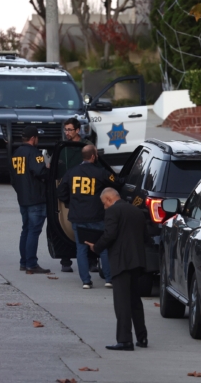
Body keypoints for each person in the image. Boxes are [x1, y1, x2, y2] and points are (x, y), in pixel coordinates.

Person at [86, 188, 148, 351]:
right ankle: (142, 337)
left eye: (103, 203)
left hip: (121, 261)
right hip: (137, 261)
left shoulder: (113, 211)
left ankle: (125, 340)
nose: (104, 207)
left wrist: (96, 247)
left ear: (108, 199)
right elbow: (145, 235)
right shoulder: (137, 211)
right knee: (135, 301)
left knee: (121, 303)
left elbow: (110, 234)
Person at [57, 145, 120, 288]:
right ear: (93, 156)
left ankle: (86, 281)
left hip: (78, 217)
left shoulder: (71, 172)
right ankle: (109, 280)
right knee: (103, 247)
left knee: (81, 249)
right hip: (97, 216)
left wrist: (70, 202)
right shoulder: (100, 172)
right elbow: (117, 182)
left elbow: (60, 192)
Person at [10, 125, 51, 274]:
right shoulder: (34, 153)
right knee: (33, 231)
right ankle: (31, 264)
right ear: (33, 138)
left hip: (23, 198)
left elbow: (13, 178)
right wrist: (48, 168)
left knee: (26, 230)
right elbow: (40, 172)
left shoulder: (16, 153)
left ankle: (24, 262)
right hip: (36, 198)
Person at [57, 117, 95, 273]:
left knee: (89, 227)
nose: (67, 133)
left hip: (85, 191)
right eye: (65, 130)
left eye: (70, 130)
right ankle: (65, 259)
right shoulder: (62, 147)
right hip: (66, 190)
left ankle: (92, 260)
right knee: (64, 224)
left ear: (78, 130)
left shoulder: (86, 147)